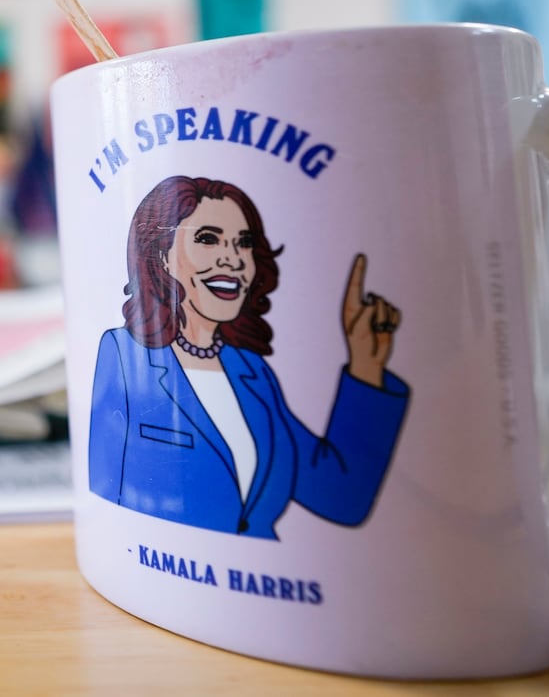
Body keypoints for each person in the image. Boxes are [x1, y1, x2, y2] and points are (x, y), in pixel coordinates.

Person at [87, 175, 410, 539]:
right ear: (162, 257)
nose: (232, 259)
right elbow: (108, 491)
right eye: (208, 240)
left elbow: (340, 497)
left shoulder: (253, 373)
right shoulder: (124, 354)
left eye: (243, 244)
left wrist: (365, 367)